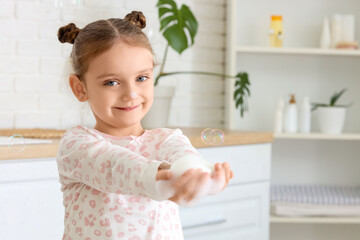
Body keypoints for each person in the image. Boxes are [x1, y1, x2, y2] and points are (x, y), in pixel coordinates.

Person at [56, 11, 233, 240]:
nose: (130, 94)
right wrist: (163, 181)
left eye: (141, 78)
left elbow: (186, 159)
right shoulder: (76, 145)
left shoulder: (167, 139)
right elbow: (114, 166)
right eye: (112, 82)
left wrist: (204, 179)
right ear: (80, 88)